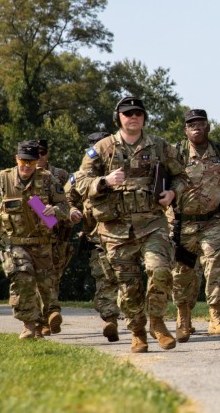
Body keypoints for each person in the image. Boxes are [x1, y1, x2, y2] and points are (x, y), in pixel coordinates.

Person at [77, 96, 188, 353]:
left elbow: (181, 175)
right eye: (128, 113)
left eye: (138, 113)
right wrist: (104, 181)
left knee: (160, 270)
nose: (133, 117)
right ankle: (137, 330)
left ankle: (157, 322)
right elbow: (80, 181)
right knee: (128, 286)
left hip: (152, 224)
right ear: (119, 118)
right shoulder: (103, 148)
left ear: (144, 117)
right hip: (115, 230)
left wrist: (173, 193)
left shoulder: (159, 145)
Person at [171, 109, 220, 342]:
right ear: (185, 130)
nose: (196, 128)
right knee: (183, 273)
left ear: (208, 127)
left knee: (217, 262)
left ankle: (216, 316)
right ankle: (183, 317)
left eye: (201, 124)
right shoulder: (175, 153)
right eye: (191, 125)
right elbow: (162, 183)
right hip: (182, 223)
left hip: (213, 220)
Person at [0, 141, 69, 339]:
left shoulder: (47, 179)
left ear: (38, 161)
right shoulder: (3, 178)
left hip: (42, 242)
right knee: (22, 278)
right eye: (23, 161)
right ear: (16, 159)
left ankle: (47, 317)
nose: (27, 166)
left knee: (47, 285)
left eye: (32, 162)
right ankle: (28, 325)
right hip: (15, 242)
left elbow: (65, 208)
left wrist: (54, 210)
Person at [66, 132, 120, 342]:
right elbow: (66, 201)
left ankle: (135, 321)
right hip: (96, 236)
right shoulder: (78, 176)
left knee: (125, 278)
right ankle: (110, 319)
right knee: (105, 277)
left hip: (125, 234)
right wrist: (70, 213)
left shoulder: (124, 170)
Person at [35, 139, 72, 336]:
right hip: (35, 237)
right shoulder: (24, 175)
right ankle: (45, 318)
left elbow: (70, 201)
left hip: (58, 235)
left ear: (48, 153)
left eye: (42, 152)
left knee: (53, 276)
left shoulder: (60, 175)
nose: (39, 156)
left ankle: (49, 315)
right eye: (35, 153)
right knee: (38, 278)